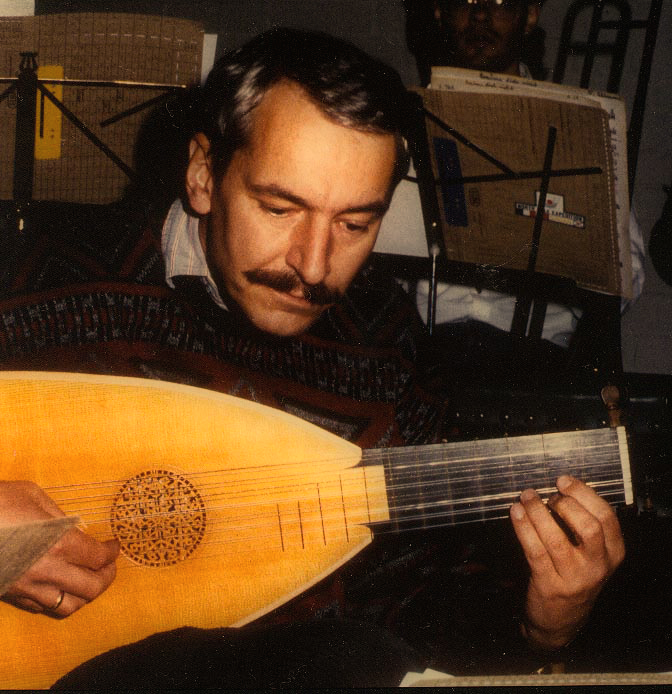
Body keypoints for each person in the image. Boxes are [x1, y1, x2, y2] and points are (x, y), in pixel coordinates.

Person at [0, 28, 624, 685]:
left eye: (354, 224)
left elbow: (414, 603)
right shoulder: (40, 271)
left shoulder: (384, 339)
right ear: (204, 174)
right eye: (280, 208)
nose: (315, 266)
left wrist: (541, 627)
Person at [394, 0, 644, 355]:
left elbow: (628, 270)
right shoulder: (403, 123)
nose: (480, 13)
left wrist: (570, 262)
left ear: (530, 15)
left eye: (500, 1)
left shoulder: (578, 127)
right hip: (424, 348)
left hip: (534, 355)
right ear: (438, 9)